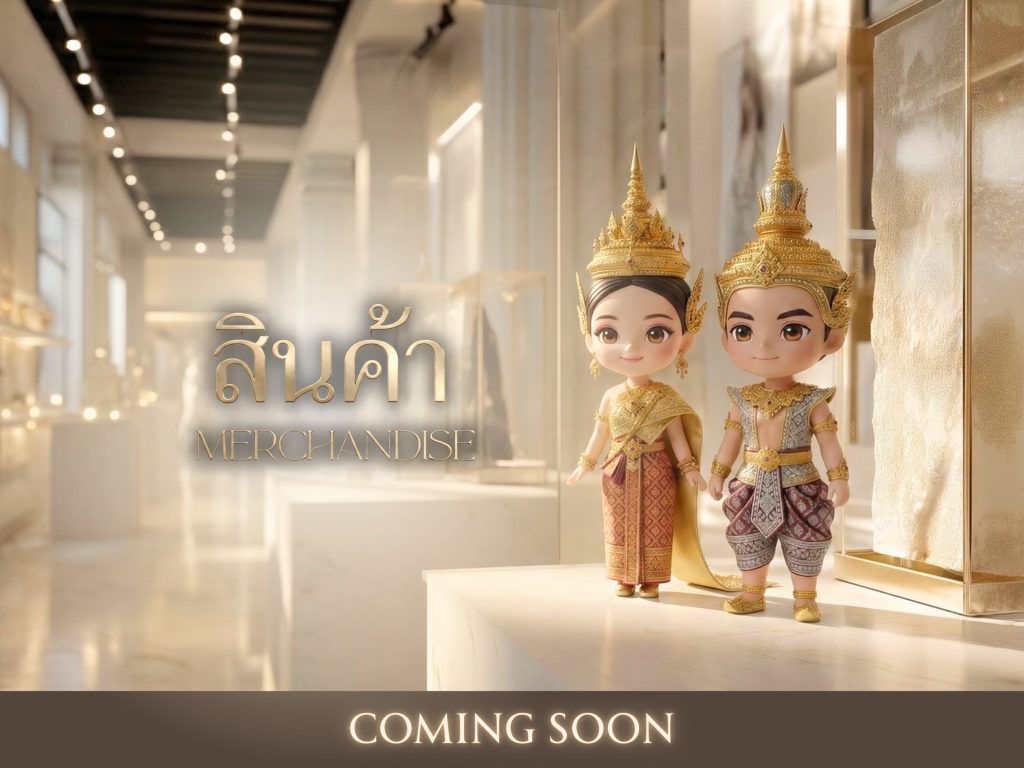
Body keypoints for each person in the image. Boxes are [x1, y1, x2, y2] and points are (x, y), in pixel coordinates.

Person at [567, 146, 737, 598]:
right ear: (589, 336)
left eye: (656, 332)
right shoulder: (611, 398)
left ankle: (651, 579)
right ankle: (624, 576)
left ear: (685, 337)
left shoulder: (668, 400)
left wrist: (690, 471)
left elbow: (679, 441)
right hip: (617, 472)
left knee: (656, 524)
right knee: (619, 523)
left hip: (659, 472)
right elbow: (600, 435)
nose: (630, 348)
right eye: (608, 333)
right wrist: (585, 465)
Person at [710, 127, 854, 622]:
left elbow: (829, 443)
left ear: (832, 336)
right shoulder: (741, 398)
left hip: (799, 478)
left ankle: (805, 597)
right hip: (751, 478)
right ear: (726, 336)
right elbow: (731, 439)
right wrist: (718, 473)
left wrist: (838, 479)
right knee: (747, 534)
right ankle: (753, 592)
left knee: (805, 535)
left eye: (792, 329)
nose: (765, 346)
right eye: (743, 330)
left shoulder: (812, 401)